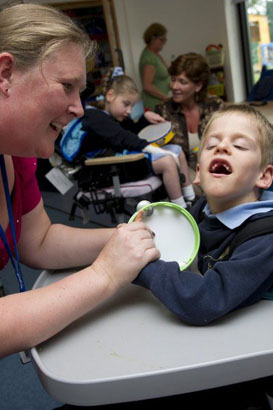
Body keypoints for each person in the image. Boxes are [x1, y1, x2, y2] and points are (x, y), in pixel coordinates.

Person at [0, 3, 161, 359]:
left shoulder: (16, 152)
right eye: (67, 87)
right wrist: (104, 274)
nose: (78, 108)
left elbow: (38, 241)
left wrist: (128, 238)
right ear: (5, 73)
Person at [134, 103, 273, 325]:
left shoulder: (265, 237)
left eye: (239, 145)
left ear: (264, 177)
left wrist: (143, 266)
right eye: (211, 145)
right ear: (198, 173)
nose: (222, 147)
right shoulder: (202, 207)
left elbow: (206, 300)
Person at [78, 68, 195, 208]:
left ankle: (191, 198)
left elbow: (132, 133)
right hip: (108, 169)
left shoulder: (116, 118)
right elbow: (123, 137)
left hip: (122, 162)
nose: (129, 111)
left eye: (132, 106)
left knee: (177, 150)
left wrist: (144, 119)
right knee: (167, 161)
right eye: (126, 104)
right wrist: (155, 150)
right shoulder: (95, 117)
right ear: (110, 95)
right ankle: (182, 209)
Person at [155, 52, 223, 183]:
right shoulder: (163, 111)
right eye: (173, 79)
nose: (174, 87)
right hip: (183, 175)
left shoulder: (214, 107)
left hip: (215, 169)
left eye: (182, 82)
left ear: (198, 86)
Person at [139, 23, 170, 111]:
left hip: (160, 102)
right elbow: (147, 86)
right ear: (153, 38)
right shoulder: (149, 58)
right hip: (155, 105)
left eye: (165, 40)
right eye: (162, 40)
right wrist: (166, 98)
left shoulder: (155, 54)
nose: (164, 43)